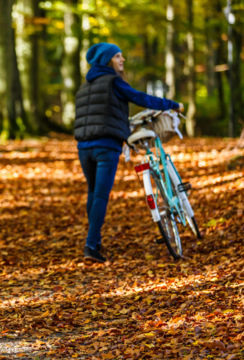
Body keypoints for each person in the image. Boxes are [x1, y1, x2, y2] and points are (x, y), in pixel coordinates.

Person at [75, 42, 184, 263]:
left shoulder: (84, 87)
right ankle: (91, 246)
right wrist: (171, 105)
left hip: (84, 147)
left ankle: (94, 240)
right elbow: (141, 98)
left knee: (93, 192)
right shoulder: (113, 81)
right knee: (100, 195)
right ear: (107, 61)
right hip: (106, 146)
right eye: (117, 56)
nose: (122, 60)